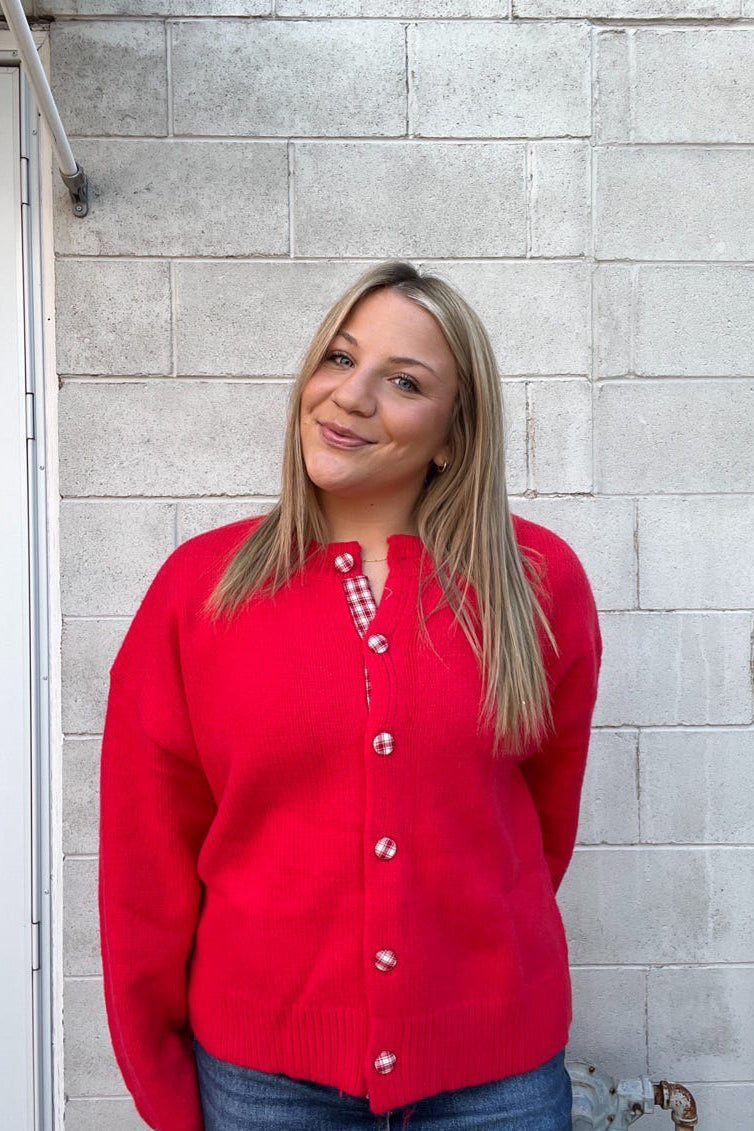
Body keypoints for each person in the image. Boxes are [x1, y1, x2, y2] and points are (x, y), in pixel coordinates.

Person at [98, 260, 603, 1131]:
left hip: (497, 1083)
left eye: (404, 381)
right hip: (264, 1085)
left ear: (453, 433)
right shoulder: (199, 591)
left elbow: (539, 828)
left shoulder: (536, 582)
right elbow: (145, 862)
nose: (351, 396)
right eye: (339, 357)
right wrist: (160, 1076)